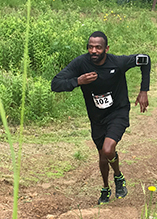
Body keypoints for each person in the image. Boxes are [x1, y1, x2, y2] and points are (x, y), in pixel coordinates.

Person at [51, 31, 151, 204]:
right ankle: (106, 188)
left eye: (98, 47)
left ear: (106, 48)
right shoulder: (81, 63)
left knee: (108, 149)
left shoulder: (118, 62)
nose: (94, 51)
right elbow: (56, 84)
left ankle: (118, 177)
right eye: (90, 47)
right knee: (102, 156)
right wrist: (78, 81)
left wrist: (143, 91)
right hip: (97, 117)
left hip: (118, 112)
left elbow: (146, 59)